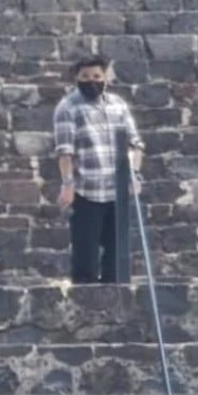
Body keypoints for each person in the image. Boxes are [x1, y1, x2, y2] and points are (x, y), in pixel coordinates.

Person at [53, 56, 144, 284]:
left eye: (96, 76)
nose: (91, 81)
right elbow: (65, 151)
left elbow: (135, 144)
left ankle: (117, 298)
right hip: (87, 191)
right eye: (85, 77)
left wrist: (134, 173)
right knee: (85, 257)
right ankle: (86, 300)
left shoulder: (118, 105)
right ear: (77, 78)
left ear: (105, 78)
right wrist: (67, 185)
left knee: (117, 256)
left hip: (117, 191)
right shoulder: (68, 107)